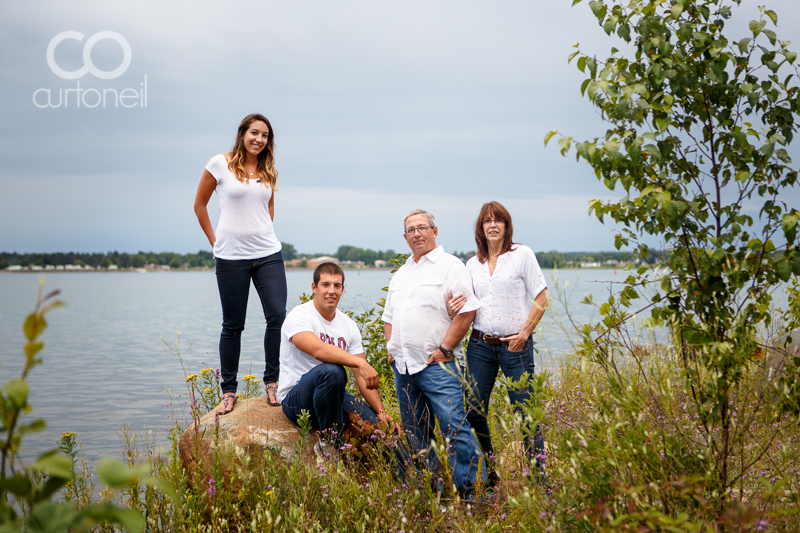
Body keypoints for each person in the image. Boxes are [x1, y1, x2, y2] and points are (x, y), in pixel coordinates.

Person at [382, 209, 486, 495]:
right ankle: (435, 492)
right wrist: (392, 349)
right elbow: (389, 316)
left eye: (422, 227)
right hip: (403, 368)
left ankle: (472, 492)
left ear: (434, 231)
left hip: (438, 366)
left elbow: (467, 311)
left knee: (454, 428)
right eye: (411, 230)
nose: (417, 233)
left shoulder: (450, 266)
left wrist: (444, 348)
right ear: (405, 237)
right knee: (417, 433)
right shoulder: (401, 274)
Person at [448, 201, 549, 483]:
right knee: (473, 410)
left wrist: (525, 333)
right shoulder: (472, 263)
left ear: (506, 226)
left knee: (525, 413)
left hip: (515, 347)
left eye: (498, 220)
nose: (492, 225)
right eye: (487, 221)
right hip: (479, 346)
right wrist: (452, 304)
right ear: (480, 228)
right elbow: (464, 303)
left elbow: (542, 297)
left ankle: (539, 481)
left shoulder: (522, 255)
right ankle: (490, 473)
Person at [193, 113, 287, 414]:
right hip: (231, 256)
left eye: (265, 135)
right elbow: (199, 204)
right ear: (243, 133)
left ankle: (273, 382)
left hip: (269, 254)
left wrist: (260, 232)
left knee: (277, 316)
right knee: (233, 325)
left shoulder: (268, 169)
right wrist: (215, 241)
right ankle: (229, 391)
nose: (259, 139)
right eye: (254, 133)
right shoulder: (220, 163)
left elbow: (268, 207)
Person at [278, 262, 400, 458]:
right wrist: (360, 362)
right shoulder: (299, 316)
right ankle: (330, 445)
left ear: (343, 289)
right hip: (296, 399)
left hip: (332, 397)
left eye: (337, 286)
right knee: (332, 371)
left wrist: (381, 412)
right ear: (314, 287)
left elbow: (361, 376)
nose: (331, 291)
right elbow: (318, 350)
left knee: (385, 432)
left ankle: (411, 479)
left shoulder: (348, 325)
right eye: (325, 285)